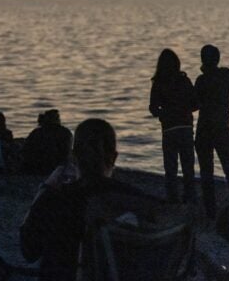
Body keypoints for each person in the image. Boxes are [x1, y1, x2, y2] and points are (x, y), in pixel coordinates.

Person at [20, 119, 147, 281]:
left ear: (74, 156)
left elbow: (29, 251)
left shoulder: (54, 200)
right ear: (114, 157)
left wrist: (45, 189)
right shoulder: (135, 200)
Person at [194, 44, 229, 218]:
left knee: (207, 173)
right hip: (222, 128)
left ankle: (210, 212)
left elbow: (194, 103)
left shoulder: (202, 80)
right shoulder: (226, 75)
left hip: (205, 130)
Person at [149, 48, 198, 203]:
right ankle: (190, 197)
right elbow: (195, 103)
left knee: (170, 168)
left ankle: (173, 199)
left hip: (169, 129)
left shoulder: (158, 83)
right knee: (188, 166)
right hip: (185, 127)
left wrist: (163, 114)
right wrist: (184, 110)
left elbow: (153, 107)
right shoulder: (184, 80)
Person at [21, 109, 73, 175]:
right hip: (56, 167)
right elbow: (66, 152)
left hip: (36, 168)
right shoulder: (64, 132)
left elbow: (26, 151)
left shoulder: (37, 133)